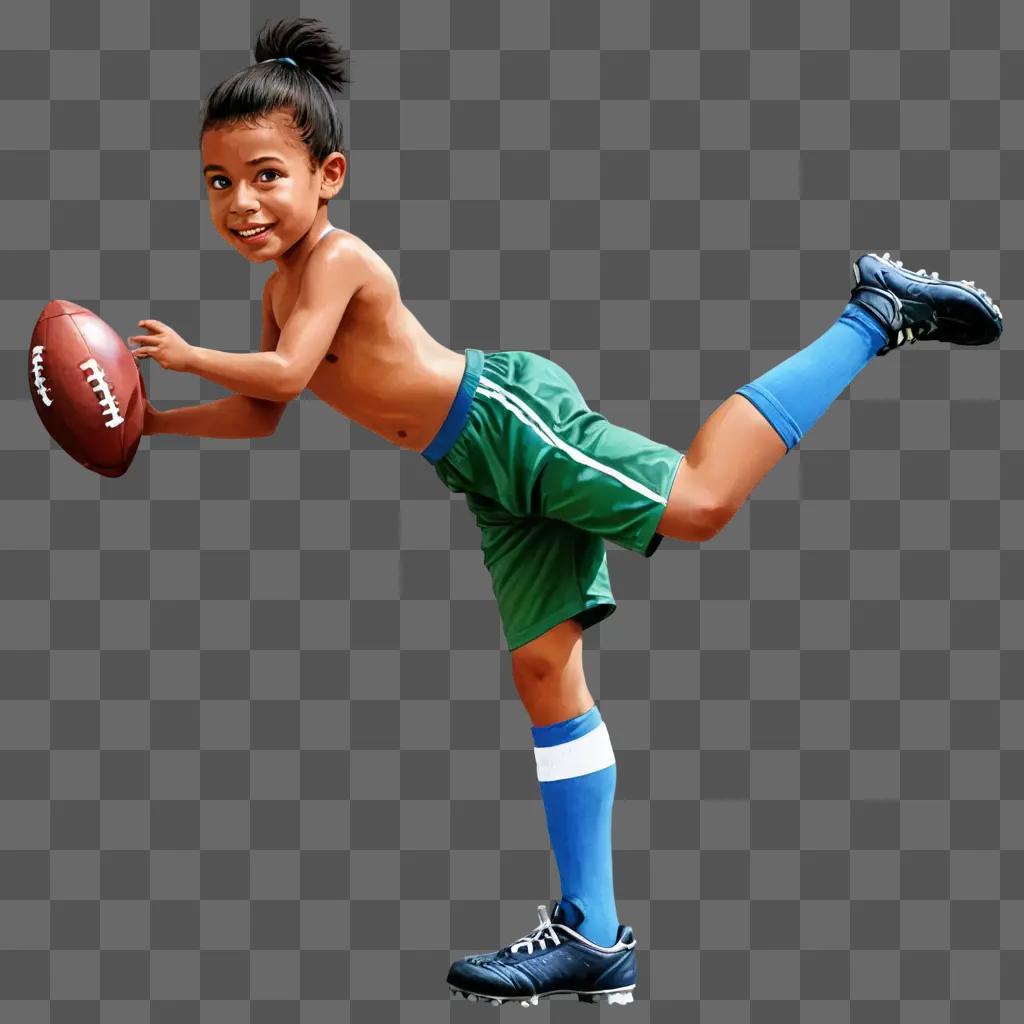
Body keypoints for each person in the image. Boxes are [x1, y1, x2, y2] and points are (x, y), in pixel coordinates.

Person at [128, 16, 1004, 1008]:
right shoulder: (281, 290)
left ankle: (873, 313)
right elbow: (263, 411)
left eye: (265, 174)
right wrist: (150, 422)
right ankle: (591, 934)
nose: (240, 202)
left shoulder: (332, 264)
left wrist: (190, 354)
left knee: (698, 503)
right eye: (217, 182)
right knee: (544, 668)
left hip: (504, 419)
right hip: (477, 472)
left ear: (328, 175)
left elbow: (283, 371)